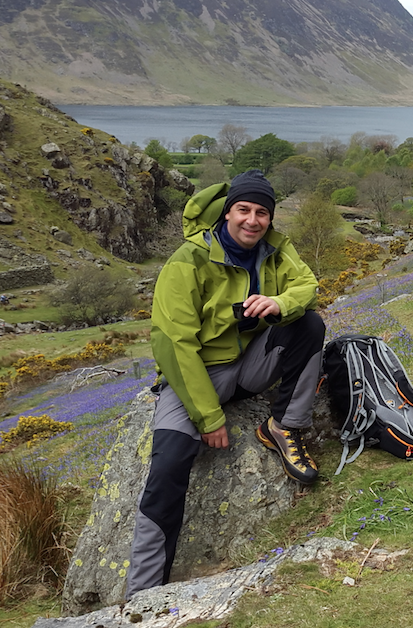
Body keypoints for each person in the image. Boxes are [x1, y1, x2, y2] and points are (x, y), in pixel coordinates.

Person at [126, 169, 325, 597]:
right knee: (168, 469)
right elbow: (173, 344)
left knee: (309, 325)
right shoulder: (188, 260)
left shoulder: (276, 249)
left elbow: (307, 286)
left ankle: (284, 426)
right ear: (227, 212)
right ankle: (143, 595)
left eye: (262, 213)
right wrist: (209, 417)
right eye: (243, 210)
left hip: (250, 366)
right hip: (197, 376)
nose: (253, 220)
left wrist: (280, 302)